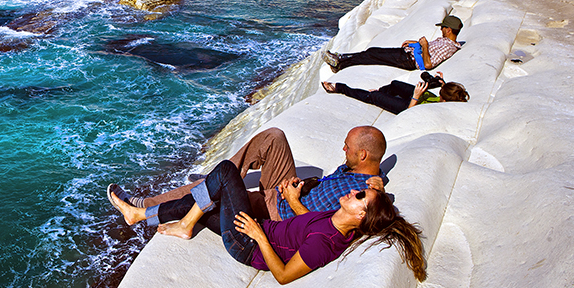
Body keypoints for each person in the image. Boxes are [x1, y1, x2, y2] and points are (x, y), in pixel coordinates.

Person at [107, 159, 427, 283]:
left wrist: (260, 236)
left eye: (361, 198)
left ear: (360, 215)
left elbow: (285, 275)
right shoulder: (340, 222)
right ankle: (141, 215)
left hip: (247, 243)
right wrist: (293, 201)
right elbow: (308, 221)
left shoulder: (325, 244)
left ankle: (176, 223)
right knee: (206, 198)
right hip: (256, 230)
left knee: (226, 173)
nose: (355, 192)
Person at [109, 126, 387, 224]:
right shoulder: (361, 173)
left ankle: (143, 207)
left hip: (280, 210)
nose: (343, 150)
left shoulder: (362, 196)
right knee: (273, 137)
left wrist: (291, 200)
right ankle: (224, 171)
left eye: (348, 148)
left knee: (212, 193)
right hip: (290, 191)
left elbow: (318, 226)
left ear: (363, 155)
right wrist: (300, 187)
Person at [324, 15, 463, 73]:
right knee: (373, 51)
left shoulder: (448, 47)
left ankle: (340, 62)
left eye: (443, 27)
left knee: (372, 55)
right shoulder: (444, 41)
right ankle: (341, 59)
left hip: (409, 60)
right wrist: (416, 43)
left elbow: (428, 65)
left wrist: (425, 46)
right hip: (407, 54)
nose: (441, 29)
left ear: (449, 30)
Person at [322, 72, 469, 115]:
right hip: (422, 98)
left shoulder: (437, 108)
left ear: (444, 101)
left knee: (373, 97)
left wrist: (416, 96)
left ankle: (339, 88)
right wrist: (441, 83)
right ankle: (382, 92)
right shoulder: (442, 100)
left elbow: (410, 114)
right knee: (396, 85)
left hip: (409, 106)